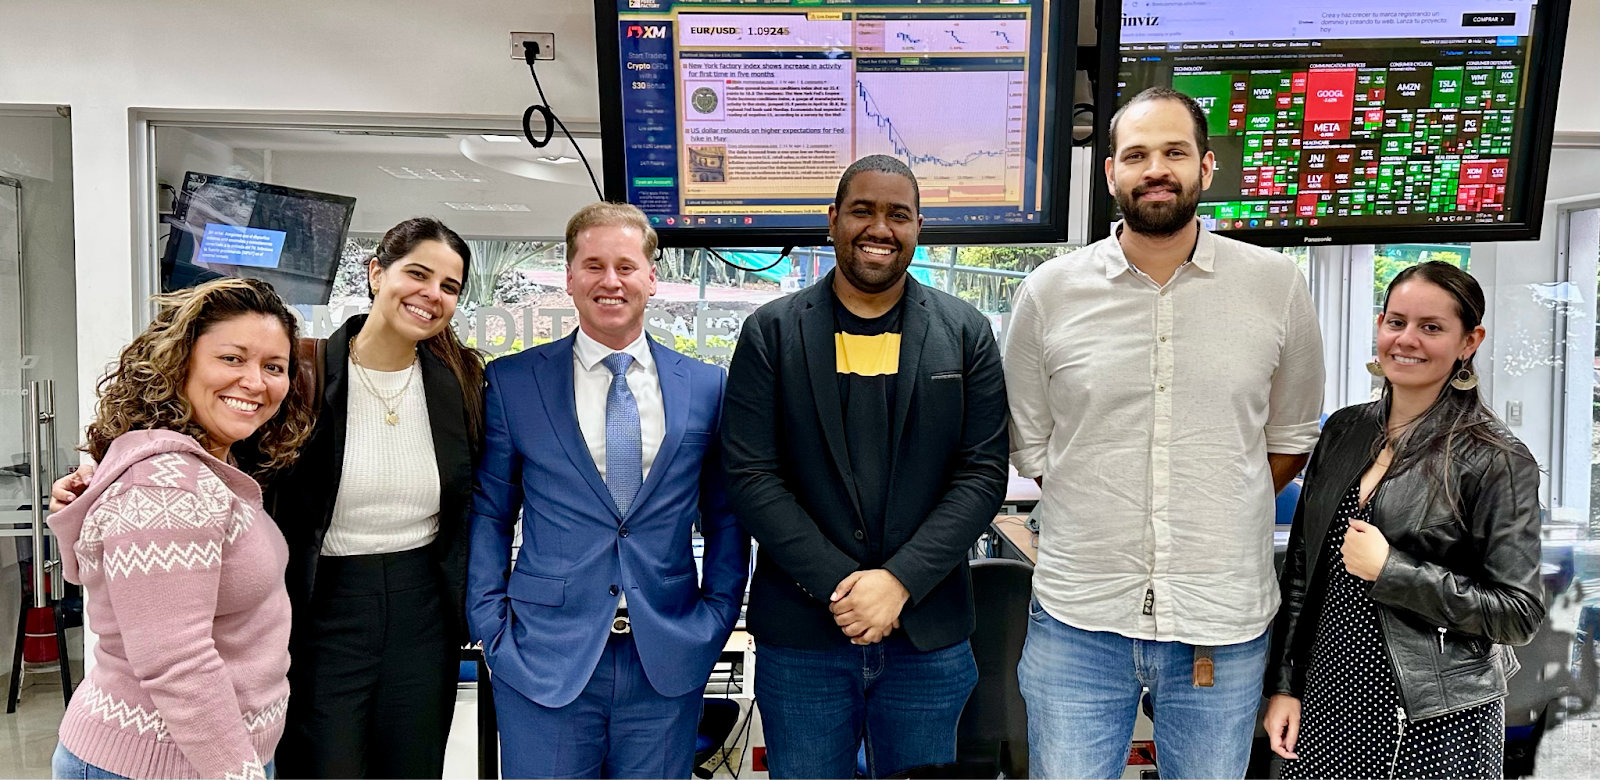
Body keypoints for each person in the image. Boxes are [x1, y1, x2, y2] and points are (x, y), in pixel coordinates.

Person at [53, 217, 487, 779]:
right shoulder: (299, 372)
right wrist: (94, 481)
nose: (432, 294)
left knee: (414, 762)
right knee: (326, 760)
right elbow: (186, 443)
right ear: (377, 273)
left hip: (422, 601)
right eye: (418, 273)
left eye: (449, 287)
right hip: (319, 598)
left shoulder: (461, 380)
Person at [1003, 86, 1325, 779]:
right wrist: (1107, 496)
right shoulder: (1049, 292)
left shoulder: (1276, 286)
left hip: (1222, 621)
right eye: (1138, 154)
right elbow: (1031, 444)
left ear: (1206, 167)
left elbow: (1293, 436)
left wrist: (1217, 491)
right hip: (1079, 617)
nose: (1157, 168)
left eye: (1175, 151)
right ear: (1111, 172)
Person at [721, 155, 1010, 779]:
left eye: (897, 215)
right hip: (802, 637)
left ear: (917, 228)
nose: (879, 227)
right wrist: (848, 589)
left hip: (928, 635)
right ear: (832, 221)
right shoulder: (770, 333)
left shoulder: (965, 333)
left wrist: (900, 582)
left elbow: (983, 473)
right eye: (863, 210)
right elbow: (749, 475)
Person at [466, 201, 749, 779]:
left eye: (625, 265)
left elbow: (726, 517)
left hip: (665, 659)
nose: (610, 281)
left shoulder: (704, 386)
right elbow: (491, 515)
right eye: (593, 265)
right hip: (543, 658)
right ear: (570, 276)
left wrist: (715, 616)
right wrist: (491, 627)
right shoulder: (514, 382)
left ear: (652, 277)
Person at [1264, 261, 1543, 779]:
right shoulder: (1345, 430)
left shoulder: (1495, 458)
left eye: (1431, 327)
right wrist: (1286, 684)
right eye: (1396, 322)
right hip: (1329, 697)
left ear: (1469, 341)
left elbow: (1518, 613)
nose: (1407, 339)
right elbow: (1303, 572)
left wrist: (1392, 570)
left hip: (1433, 716)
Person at [46, 278, 315, 779]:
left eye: (273, 367)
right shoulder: (167, 486)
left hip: (202, 757)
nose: (256, 382)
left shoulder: (196, 467)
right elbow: (176, 663)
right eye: (233, 358)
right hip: (157, 764)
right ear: (181, 362)